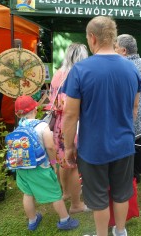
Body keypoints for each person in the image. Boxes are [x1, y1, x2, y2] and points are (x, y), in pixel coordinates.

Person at [62, 16, 141, 236]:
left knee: (98, 196)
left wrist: (69, 147)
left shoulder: (80, 70)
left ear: (92, 37)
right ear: (113, 38)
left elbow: (70, 115)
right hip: (124, 143)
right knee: (122, 192)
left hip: (93, 147)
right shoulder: (131, 68)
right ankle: (121, 231)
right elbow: (134, 108)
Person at [13, 95, 79, 231]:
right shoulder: (42, 126)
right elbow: (50, 147)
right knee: (55, 193)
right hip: (40, 167)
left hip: (22, 167)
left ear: (17, 114)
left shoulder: (18, 127)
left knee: (28, 193)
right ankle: (64, 220)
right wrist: (53, 163)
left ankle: (32, 220)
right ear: (35, 109)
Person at [49, 42, 89, 214]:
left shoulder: (58, 73)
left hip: (58, 123)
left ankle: (65, 192)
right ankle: (76, 204)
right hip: (73, 123)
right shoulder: (79, 75)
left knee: (62, 161)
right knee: (72, 163)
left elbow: (53, 100)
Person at [115, 34, 141, 182]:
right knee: (137, 146)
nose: (114, 50)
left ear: (124, 50)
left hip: (128, 114)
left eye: (116, 47)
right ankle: (135, 176)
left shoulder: (123, 67)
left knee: (126, 148)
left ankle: (127, 178)